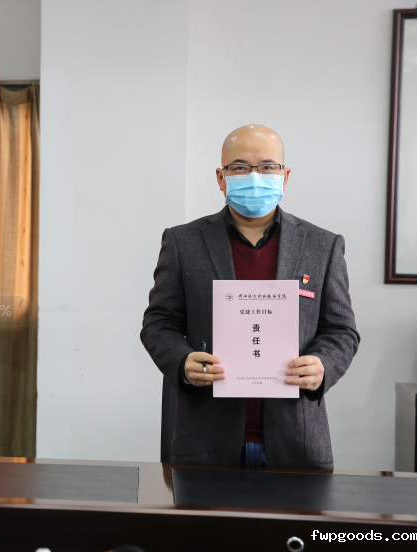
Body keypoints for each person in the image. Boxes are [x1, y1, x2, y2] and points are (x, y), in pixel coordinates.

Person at [141, 124, 359, 469]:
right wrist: (182, 362)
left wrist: (323, 365)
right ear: (221, 177)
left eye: (268, 167)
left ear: (285, 176)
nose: (255, 177)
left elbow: (342, 330)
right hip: (206, 440)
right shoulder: (183, 242)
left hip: (297, 441)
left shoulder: (322, 245)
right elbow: (159, 323)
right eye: (240, 167)